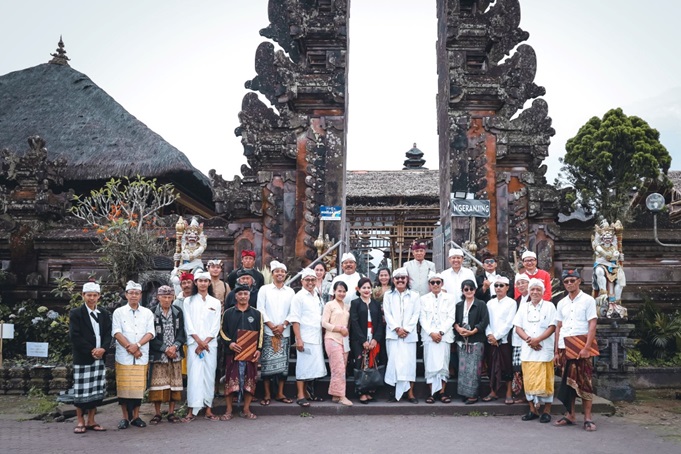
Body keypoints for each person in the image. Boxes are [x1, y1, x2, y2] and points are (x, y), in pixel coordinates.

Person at [554, 269, 599, 432]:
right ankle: (570, 414)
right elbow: (559, 327)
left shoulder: (588, 300)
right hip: (565, 345)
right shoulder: (561, 303)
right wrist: (556, 351)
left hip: (582, 345)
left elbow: (592, 324)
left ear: (579, 281)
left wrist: (587, 347)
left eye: (572, 280)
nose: (569, 284)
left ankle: (587, 418)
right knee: (568, 382)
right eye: (566, 281)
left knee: (585, 382)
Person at [69, 282, 112, 434]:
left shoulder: (104, 313)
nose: (92, 298)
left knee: (95, 390)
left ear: (99, 297)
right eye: (89, 295)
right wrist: (92, 350)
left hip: (99, 357)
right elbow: (75, 336)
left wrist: (103, 349)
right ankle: (80, 421)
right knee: (81, 391)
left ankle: (91, 420)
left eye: (95, 295)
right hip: (84, 357)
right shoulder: (76, 313)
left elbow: (108, 334)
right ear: (83, 296)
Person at [112, 281, 155, 429]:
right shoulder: (119, 312)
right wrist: (129, 347)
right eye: (131, 293)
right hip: (124, 356)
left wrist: (137, 346)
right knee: (124, 388)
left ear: (141, 295)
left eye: (137, 293)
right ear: (126, 295)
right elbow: (117, 332)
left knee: (138, 389)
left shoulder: (147, 313)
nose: (134, 296)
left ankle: (136, 416)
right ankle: (124, 417)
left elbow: (150, 333)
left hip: (140, 354)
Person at [513, 278, 557, 423]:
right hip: (528, 349)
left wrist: (538, 340)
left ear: (543, 292)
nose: (535, 292)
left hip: (544, 349)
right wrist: (529, 340)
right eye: (533, 289)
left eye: (538, 289)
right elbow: (518, 327)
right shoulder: (524, 307)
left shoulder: (549, 306)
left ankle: (546, 410)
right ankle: (532, 410)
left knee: (547, 380)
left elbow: (552, 326)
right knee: (529, 380)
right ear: (529, 291)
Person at [220, 284, 264, 420]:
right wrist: (230, 343)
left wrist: (259, 350)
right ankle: (228, 410)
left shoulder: (256, 314)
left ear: (249, 296)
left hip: (250, 354)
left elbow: (261, 333)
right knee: (230, 381)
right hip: (232, 353)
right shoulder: (228, 313)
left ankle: (246, 409)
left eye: (246, 294)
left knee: (250, 381)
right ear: (235, 296)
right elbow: (222, 331)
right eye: (240, 294)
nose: (243, 296)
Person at [182, 271, 221, 422]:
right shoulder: (188, 301)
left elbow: (216, 325)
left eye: (206, 281)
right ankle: (191, 409)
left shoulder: (215, 302)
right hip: (194, 345)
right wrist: (199, 342)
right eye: (200, 281)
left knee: (209, 376)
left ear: (209, 283)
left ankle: (208, 408)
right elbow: (188, 324)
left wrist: (205, 342)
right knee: (194, 376)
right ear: (196, 283)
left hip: (210, 345)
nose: (203, 283)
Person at [257, 260, 295, 406]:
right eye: (277, 271)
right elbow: (260, 309)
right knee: (267, 365)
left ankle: (280, 393)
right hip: (268, 332)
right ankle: (267, 394)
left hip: (284, 332)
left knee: (283, 366)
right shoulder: (264, 290)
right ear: (272, 274)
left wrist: (283, 325)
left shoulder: (290, 291)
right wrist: (272, 326)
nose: (280, 274)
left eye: (282, 271)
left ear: (285, 274)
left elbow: (293, 311)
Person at [288, 268, 327, 407]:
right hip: (304, 337)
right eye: (307, 280)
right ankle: (300, 395)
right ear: (302, 281)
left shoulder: (317, 295)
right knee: (303, 366)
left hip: (316, 337)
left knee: (313, 367)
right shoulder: (298, 297)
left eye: (313, 280)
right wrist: (298, 339)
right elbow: (295, 319)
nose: (310, 282)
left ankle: (308, 393)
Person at [148, 285, 186, 424]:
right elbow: (150, 335)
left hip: (174, 354)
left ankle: (171, 412)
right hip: (159, 354)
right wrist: (165, 348)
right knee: (157, 385)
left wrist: (175, 347)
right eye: (164, 297)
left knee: (174, 384)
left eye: (170, 297)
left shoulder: (178, 312)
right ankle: (157, 413)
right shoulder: (152, 313)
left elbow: (182, 332)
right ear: (158, 297)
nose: (167, 300)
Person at [383, 267, 420, 403]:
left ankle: (410, 393)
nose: (400, 280)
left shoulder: (415, 295)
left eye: (403, 278)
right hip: (393, 335)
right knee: (394, 364)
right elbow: (387, 314)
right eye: (397, 278)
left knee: (409, 364)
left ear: (407, 280)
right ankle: (394, 393)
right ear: (393, 280)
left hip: (409, 336)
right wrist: (397, 328)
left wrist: (407, 329)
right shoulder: (388, 295)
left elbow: (416, 314)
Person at [419, 272, 456, 403]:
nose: (435, 285)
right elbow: (422, 318)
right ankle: (432, 393)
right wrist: (431, 333)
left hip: (444, 337)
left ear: (442, 284)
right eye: (432, 282)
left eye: (438, 282)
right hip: (429, 337)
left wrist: (440, 332)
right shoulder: (423, 299)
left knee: (443, 365)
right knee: (430, 365)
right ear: (429, 285)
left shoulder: (450, 298)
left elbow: (451, 317)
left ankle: (442, 392)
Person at [454, 279, 489, 404]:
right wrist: (458, 328)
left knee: (474, 368)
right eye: (466, 289)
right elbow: (454, 320)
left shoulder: (481, 304)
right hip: (462, 340)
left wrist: (473, 331)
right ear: (462, 291)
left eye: (471, 289)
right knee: (463, 368)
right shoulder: (458, 305)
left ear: (475, 290)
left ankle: (473, 395)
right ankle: (465, 393)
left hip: (476, 339)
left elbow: (484, 321)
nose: (469, 291)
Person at [483, 276, 517, 404]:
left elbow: (509, 323)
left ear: (507, 287)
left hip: (504, 340)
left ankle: (508, 392)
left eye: (501, 286)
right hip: (491, 339)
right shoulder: (490, 303)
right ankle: (493, 391)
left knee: (507, 365)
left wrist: (497, 336)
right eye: (496, 285)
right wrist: (490, 335)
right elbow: (486, 321)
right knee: (491, 365)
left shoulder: (511, 303)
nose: (498, 288)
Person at [350, 277, 385, 404]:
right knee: (361, 364)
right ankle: (361, 392)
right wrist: (363, 340)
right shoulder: (355, 303)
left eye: (368, 287)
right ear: (358, 289)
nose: (366, 290)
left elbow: (380, 324)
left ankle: (370, 390)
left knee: (372, 364)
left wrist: (375, 339)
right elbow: (354, 323)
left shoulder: (375, 303)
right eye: (363, 288)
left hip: (373, 338)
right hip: (359, 339)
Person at [322, 281, 352, 406]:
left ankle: (335, 394)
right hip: (332, 338)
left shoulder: (347, 306)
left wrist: (346, 331)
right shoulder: (329, 305)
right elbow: (324, 323)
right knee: (338, 367)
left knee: (341, 367)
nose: (341, 293)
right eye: (339, 291)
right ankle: (341, 395)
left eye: (344, 291)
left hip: (344, 340)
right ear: (334, 291)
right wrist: (338, 328)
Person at [511, 273, 531, 403]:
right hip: (517, 338)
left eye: (523, 282)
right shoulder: (517, 301)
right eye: (518, 283)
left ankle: (528, 394)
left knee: (528, 367)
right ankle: (520, 393)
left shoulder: (533, 299)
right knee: (517, 367)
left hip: (529, 338)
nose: (521, 285)